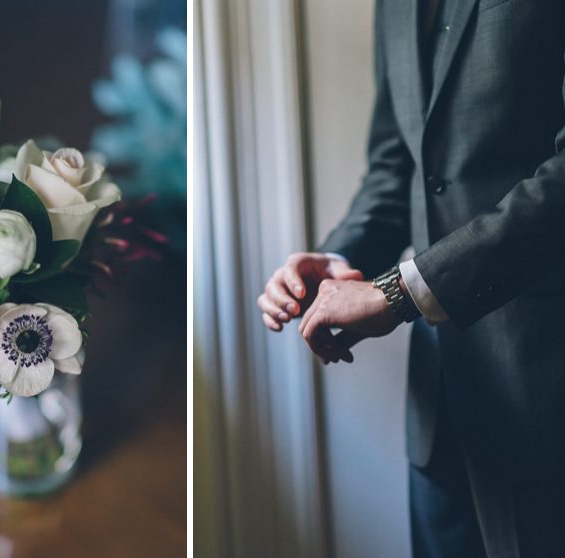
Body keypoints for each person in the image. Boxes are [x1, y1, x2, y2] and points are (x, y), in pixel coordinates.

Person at [257, 1, 565, 556]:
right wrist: (333, 263)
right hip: (438, 405)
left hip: (545, 396)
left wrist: (400, 293)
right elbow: (399, 168)